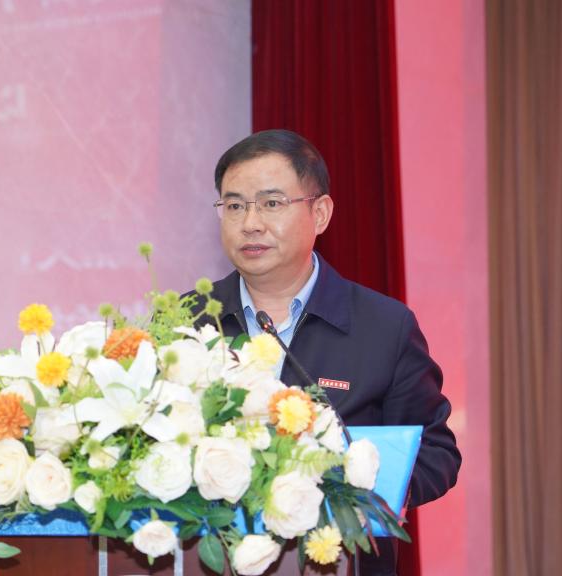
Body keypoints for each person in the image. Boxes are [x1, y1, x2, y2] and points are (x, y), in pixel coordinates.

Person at [198, 129, 461, 575]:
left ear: (319, 213)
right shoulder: (190, 323)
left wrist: (353, 494)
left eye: (271, 203)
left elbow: (436, 453)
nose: (250, 223)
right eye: (235, 205)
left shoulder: (384, 327)